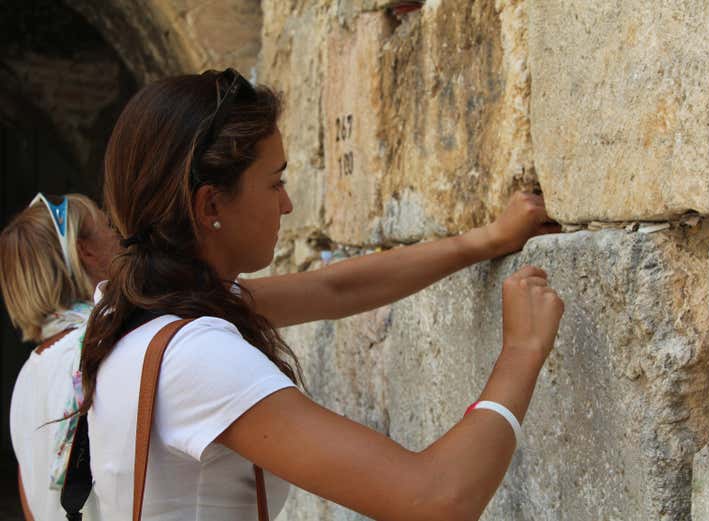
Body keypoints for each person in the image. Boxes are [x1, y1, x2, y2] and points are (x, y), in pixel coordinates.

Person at [79, 69, 564, 521]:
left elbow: (336, 288)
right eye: (275, 182)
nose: (287, 204)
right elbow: (437, 497)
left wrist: (485, 240)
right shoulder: (195, 356)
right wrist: (521, 351)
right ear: (210, 205)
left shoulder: (137, 309)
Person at [0, 192, 119, 520]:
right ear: (86, 250)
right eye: (107, 224)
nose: (117, 234)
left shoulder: (26, 378)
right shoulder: (106, 348)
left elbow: (31, 504)